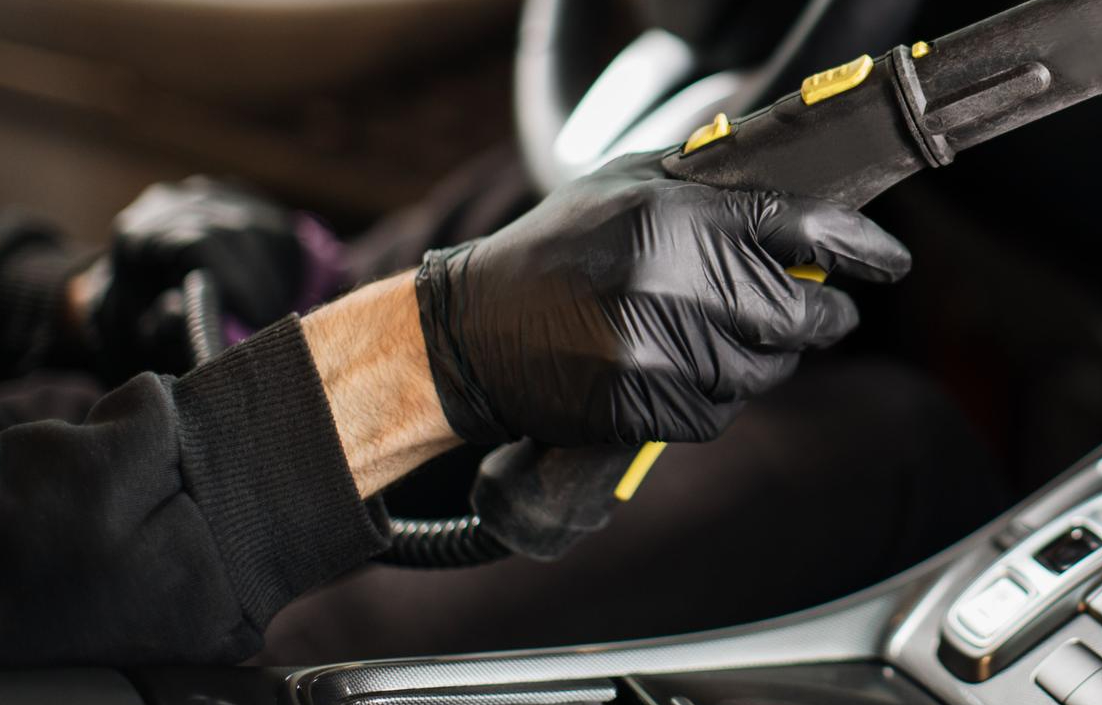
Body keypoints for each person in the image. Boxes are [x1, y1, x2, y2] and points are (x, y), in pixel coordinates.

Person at [0, 153, 954, 666]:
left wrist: (68, 297)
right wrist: (442, 352)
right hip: (109, 606)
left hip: (77, 427)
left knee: (549, 187)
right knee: (887, 446)